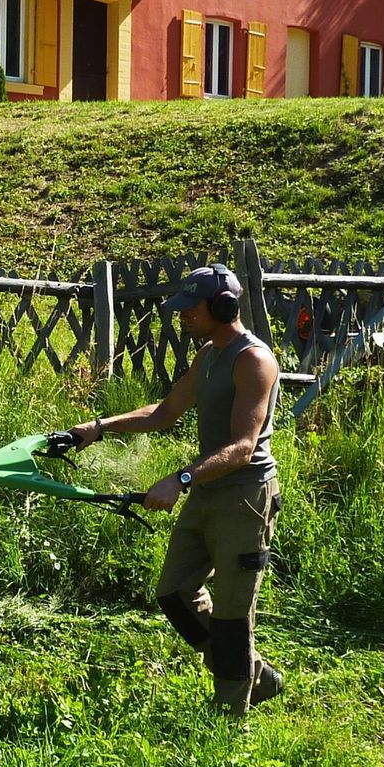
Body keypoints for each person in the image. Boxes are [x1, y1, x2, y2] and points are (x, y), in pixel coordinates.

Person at [67, 263, 284, 716]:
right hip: (207, 490)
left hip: (244, 498)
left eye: (191, 308)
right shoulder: (209, 355)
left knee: (232, 613)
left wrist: (180, 479)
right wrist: (100, 427)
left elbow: (243, 448)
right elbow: (165, 412)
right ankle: (254, 674)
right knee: (174, 592)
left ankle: (230, 717)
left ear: (222, 307)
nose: (183, 316)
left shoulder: (253, 360)